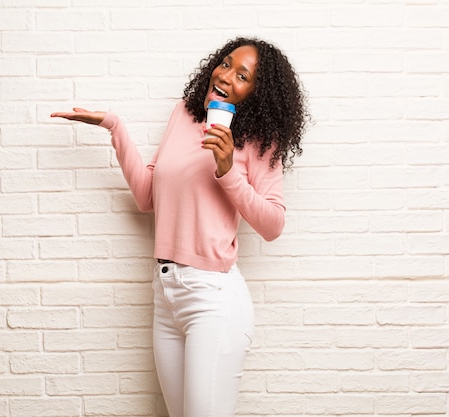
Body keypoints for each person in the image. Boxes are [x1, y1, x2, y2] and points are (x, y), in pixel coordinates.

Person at [51, 37, 308, 417]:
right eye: (225, 63)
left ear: (257, 92)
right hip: (166, 293)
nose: (225, 75)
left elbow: (273, 225)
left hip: (213, 297)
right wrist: (115, 127)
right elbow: (146, 197)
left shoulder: (258, 142)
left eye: (242, 75)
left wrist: (227, 171)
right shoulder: (184, 114)